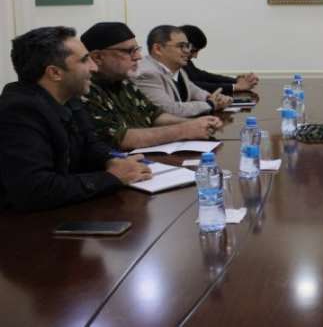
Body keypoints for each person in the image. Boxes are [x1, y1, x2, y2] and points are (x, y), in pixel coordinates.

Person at [0, 26, 151, 211]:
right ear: (55, 73)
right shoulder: (18, 112)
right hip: (26, 223)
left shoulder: (69, 98)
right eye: (85, 60)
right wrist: (112, 177)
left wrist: (111, 161)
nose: (94, 67)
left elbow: (90, 145)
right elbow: (35, 189)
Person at [80, 22, 223, 150]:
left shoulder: (123, 82)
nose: (138, 57)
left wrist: (196, 123)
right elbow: (121, 138)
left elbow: (155, 115)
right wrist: (184, 129)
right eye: (129, 51)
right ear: (98, 57)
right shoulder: (84, 89)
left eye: (137, 49)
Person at [134, 25, 232, 117]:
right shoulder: (146, 73)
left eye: (187, 46)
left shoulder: (177, 70)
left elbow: (195, 91)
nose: (187, 51)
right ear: (158, 49)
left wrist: (215, 98)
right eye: (181, 46)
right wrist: (210, 104)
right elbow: (169, 109)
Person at [179, 24, 258, 95]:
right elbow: (192, 86)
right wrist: (235, 86)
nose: (195, 56)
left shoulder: (185, 62)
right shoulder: (175, 64)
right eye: (193, 51)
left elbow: (203, 76)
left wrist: (236, 81)